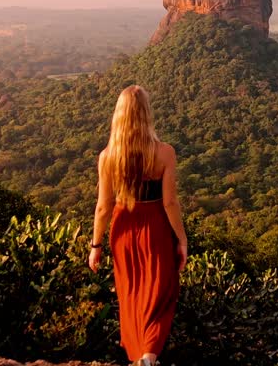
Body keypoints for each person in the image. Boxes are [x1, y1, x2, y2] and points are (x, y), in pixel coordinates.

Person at [88, 85, 188, 366]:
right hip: (154, 225)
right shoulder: (165, 152)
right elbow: (170, 203)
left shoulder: (108, 156)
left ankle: (140, 356)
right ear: (147, 114)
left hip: (123, 227)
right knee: (161, 293)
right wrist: (182, 239)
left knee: (131, 294)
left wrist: (96, 245)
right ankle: (148, 355)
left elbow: (103, 206)